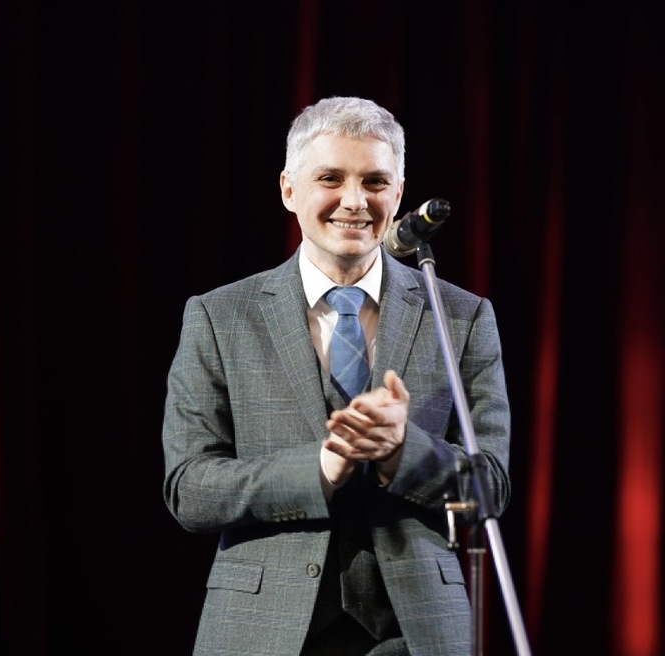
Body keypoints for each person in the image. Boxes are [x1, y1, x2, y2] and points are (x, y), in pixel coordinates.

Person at [162, 96, 511, 656]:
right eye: (330, 178)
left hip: (417, 632)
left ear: (398, 193)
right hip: (262, 630)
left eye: (375, 182)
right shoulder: (220, 316)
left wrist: (402, 452)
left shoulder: (460, 316)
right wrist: (320, 468)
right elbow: (190, 489)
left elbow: (490, 484)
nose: (355, 200)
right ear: (288, 190)